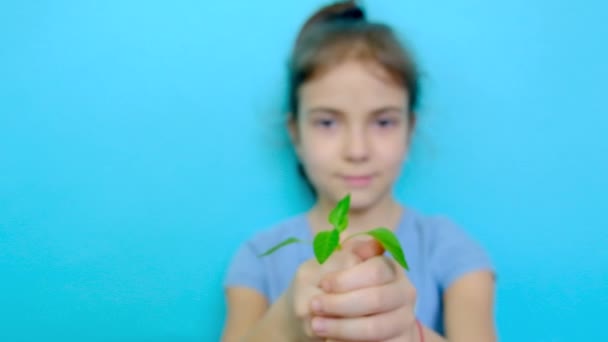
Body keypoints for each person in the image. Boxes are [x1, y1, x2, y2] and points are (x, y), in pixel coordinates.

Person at [221, 1, 497, 341]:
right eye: (327, 122)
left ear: (410, 129)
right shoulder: (258, 257)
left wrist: (408, 335)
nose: (357, 150)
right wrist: (288, 324)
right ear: (295, 133)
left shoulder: (448, 248)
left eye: (383, 121)